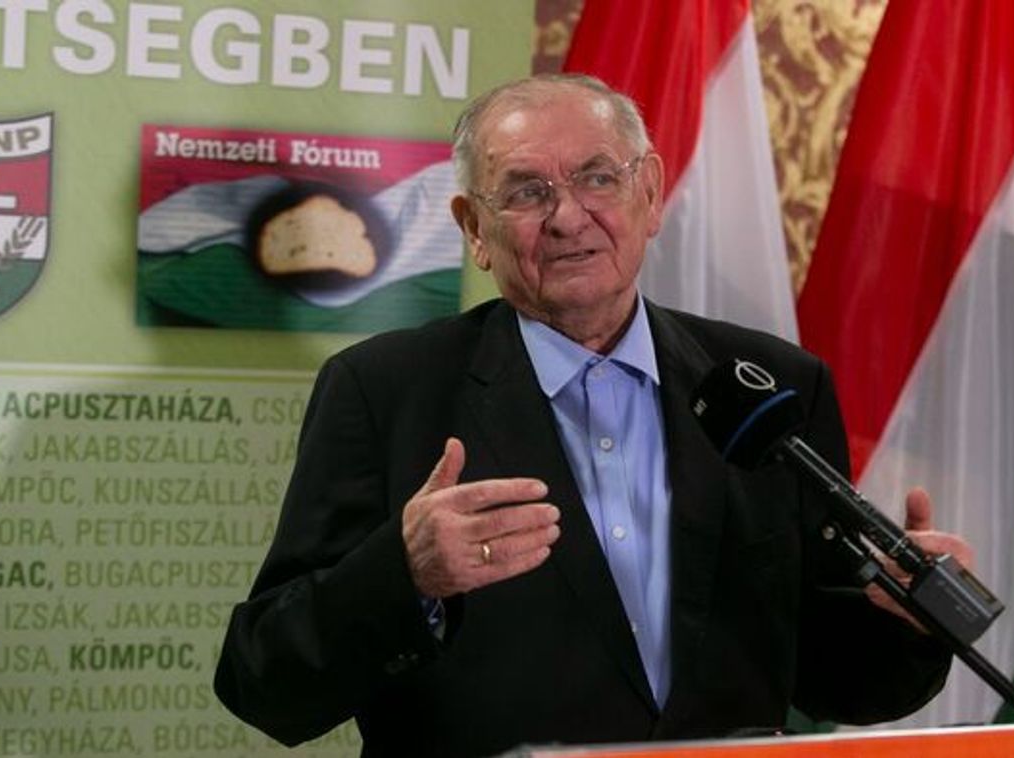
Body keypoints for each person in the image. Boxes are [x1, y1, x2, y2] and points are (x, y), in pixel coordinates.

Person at [214, 74, 970, 758]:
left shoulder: (774, 385)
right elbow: (263, 683)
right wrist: (405, 575)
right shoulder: (382, 391)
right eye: (525, 192)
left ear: (650, 195)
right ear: (473, 230)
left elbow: (835, 679)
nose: (567, 217)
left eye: (597, 178)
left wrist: (907, 617)